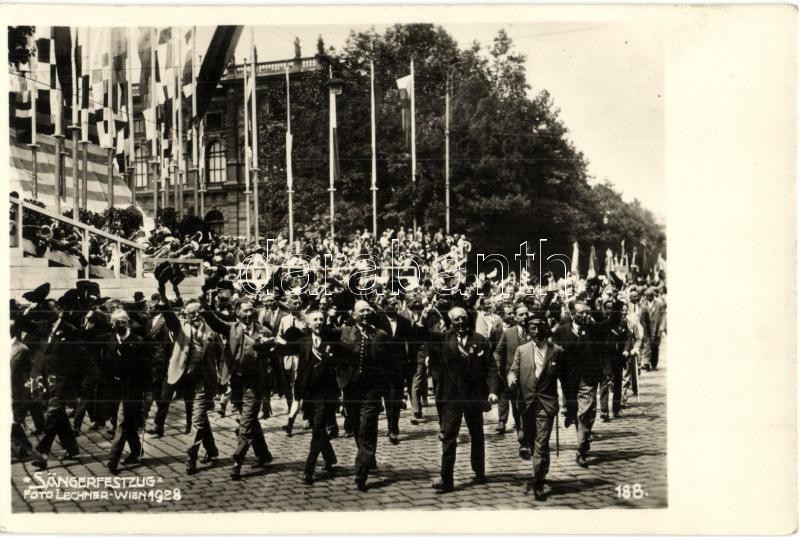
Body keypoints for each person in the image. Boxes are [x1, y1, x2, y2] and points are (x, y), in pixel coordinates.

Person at [202, 298, 275, 480]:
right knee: (249, 421)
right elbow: (214, 322)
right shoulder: (232, 328)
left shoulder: (264, 331)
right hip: (237, 383)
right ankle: (264, 454)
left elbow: (272, 360)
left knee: (246, 424)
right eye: (245, 311)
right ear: (237, 312)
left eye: (251, 310)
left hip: (255, 384)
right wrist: (204, 305)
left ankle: (237, 461)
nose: (249, 314)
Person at [430, 307, 499, 493]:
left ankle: (479, 471)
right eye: (456, 320)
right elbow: (426, 342)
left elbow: (491, 368)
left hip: (473, 396)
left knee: (477, 434)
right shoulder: (444, 339)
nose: (461, 323)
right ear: (451, 322)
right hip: (451, 397)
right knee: (449, 437)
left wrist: (492, 391)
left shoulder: (480, 340)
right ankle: (446, 479)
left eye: (463, 319)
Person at [156, 291, 221, 475]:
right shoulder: (180, 328)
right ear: (186, 314)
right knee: (201, 418)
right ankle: (212, 450)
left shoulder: (211, 330)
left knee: (198, 418)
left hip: (202, 380)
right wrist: (163, 298)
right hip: (183, 378)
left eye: (199, 311)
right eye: (192, 312)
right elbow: (170, 317)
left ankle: (191, 457)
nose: (196, 315)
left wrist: (222, 380)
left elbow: (220, 353)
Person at [506, 312, 562, 500]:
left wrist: (570, 407)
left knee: (542, 443)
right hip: (526, 403)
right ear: (528, 330)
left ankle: (539, 481)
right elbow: (513, 371)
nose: (536, 331)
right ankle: (531, 452)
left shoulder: (556, 351)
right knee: (529, 438)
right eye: (532, 327)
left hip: (546, 404)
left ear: (546, 328)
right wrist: (512, 379)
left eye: (540, 327)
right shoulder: (522, 350)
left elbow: (566, 379)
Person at [338, 300, 389, 492]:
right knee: (355, 426)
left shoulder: (380, 335)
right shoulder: (344, 332)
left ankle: (361, 472)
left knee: (367, 426)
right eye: (362, 311)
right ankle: (368, 456)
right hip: (351, 389)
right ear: (354, 314)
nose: (366, 314)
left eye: (368, 310)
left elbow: (388, 365)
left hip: (371, 390)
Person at [553, 302, 606, 468]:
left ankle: (581, 449)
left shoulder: (593, 328)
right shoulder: (561, 331)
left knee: (586, 412)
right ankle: (582, 436)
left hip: (589, 378)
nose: (585, 315)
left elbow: (610, 322)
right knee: (576, 410)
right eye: (581, 313)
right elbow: (555, 353)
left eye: (587, 312)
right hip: (569, 379)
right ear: (572, 313)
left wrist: (594, 302)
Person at [295, 310, 339, 485]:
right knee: (317, 427)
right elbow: (298, 366)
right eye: (315, 320)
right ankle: (330, 458)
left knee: (317, 429)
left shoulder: (332, 341)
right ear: (308, 324)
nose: (319, 322)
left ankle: (309, 469)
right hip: (309, 394)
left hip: (326, 394)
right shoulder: (303, 342)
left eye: (321, 319)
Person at [105, 310, 149, 475]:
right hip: (115, 390)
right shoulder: (110, 342)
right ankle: (136, 451)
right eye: (116, 322)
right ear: (112, 324)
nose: (119, 325)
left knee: (122, 423)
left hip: (132, 390)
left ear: (128, 322)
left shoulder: (138, 342)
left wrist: (148, 391)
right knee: (128, 423)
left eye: (122, 321)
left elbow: (146, 368)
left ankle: (113, 460)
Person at [375, 295, 412, 444]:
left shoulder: (404, 322)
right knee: (387, 397)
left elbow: (410, 344)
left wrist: (408, 363)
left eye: (394, 305)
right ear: (384, 307)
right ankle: (391, 425)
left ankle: (393, 427)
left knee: (396, 397)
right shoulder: (378, 321)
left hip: (399, 365)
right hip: (382, 365)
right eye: (389, 305)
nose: (392, 308)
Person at [493, 304, 529, 452]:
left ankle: (527, 434)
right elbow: (498, 352)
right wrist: (500, 370)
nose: (525, 317)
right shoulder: (508, 333)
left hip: (530, 376)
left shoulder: (535, 330)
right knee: (516, 406)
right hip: (512, 377)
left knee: (530, 406)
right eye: (521, 315)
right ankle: (521, 432)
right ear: (515, 317)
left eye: (527, 314)